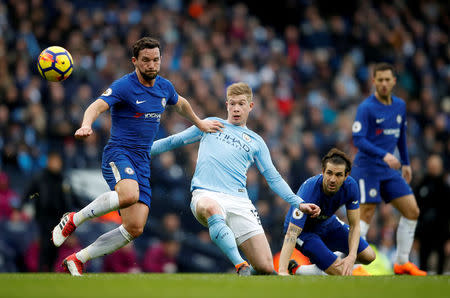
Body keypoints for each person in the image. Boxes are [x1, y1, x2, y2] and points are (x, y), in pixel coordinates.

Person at [51, 37, 223, 276]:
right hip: (119, 153)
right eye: (146, 60)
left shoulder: (164, 87)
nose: (151, 65)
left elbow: (180, 103)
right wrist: (86, 124)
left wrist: (199, 122)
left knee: (135, 227)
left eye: (155, 60)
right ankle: (73, 219)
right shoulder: (124, 86)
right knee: (129, 195)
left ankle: (78, 259)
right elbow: (97, 105)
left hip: (142, 161)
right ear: (135, 61)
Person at [150, 82, 321, 275]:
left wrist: (298, 203)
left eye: (241, 103)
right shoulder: (211, 124)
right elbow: (174, 140)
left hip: (239, 201)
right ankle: (240, 265)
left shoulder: (256, 142)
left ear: (250, 106)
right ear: (226, 105)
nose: (236, 108)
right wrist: (140, 151)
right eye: (232, 103)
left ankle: (245, 275)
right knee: (211, 208)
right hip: (206, 193)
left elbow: (273, 178)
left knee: (265, 267)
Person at [350, 62, 426, 275]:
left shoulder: (400, 105)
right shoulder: (366, 107)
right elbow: (358, 139)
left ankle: (402, 262)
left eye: (387, 80)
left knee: (412, 211)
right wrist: (384, 155)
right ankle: (355, 266)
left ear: (394, 81)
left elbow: (401, 135)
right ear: (373, 81)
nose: (384, 84)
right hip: (367, 168)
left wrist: (407, 163)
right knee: (366, 213)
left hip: (389, 169)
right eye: (380, 80)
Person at [278, 148, 376, 276]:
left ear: (346, 176)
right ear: (323, 171)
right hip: (304, 233)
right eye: (329, 173)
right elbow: (292, 232)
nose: (332, 179)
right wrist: (282, 271)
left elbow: (355, 226)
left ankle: (317, 264)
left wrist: (352, 256)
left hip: (328, 223)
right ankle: (299, 269)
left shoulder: (351, 186)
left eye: (338, 175)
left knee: (369, 256)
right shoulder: (309, 191)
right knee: (341, 273)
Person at [24, 152, 73, 272]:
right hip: (43, 217)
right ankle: (41, 269)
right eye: (54, 161)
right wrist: (25, 205)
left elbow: (71, 197)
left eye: (58, 162)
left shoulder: (63, 179)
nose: (57, 165)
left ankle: (50, 269)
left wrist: (83, 208)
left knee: (55, 246)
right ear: (49, 162)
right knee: (44, 245)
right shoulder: (40, 178)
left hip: (59, 218)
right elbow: (29, 193)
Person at [415, 154, 450, 274]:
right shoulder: (421, 186)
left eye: (436, 166)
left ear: (441, 167)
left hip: (441, 233)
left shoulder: (446, 188)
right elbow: (415, 212)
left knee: (441, 267)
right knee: (422, 267)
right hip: (424, 233)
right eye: (431, 165)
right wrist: (416, 237)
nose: (433, 168)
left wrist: (449, 239)